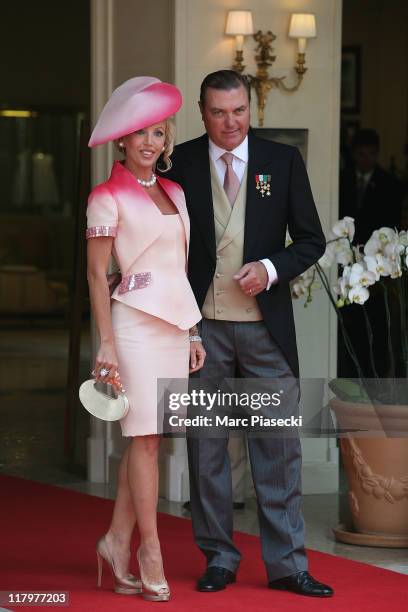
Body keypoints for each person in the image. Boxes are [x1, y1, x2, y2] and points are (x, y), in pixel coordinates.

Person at [164, 70, 334, 597]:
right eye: (218, 112)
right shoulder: (182, 163)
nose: (230, 122)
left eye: (239, 111)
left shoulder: (281, 162)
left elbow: (311, 240)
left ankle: (287, 565)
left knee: (277, 449)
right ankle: (219, 557)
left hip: (266, 332)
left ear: (249, 110)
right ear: (201, 111)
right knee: (207, 450)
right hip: (202, 331)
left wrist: (271, 268)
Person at [86, 76, 205, 602]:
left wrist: (194, 328)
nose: (150, 143)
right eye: (141, 133)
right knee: (145, 439)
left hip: (174, 327)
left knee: (148, 441)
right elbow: (96, 275)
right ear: (123, 140)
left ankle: (115, 540)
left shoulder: (176, 191)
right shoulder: (105, 196)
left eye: (159, 133)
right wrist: (106, 343)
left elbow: (179, 267)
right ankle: (149, 548)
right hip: (131, 326)